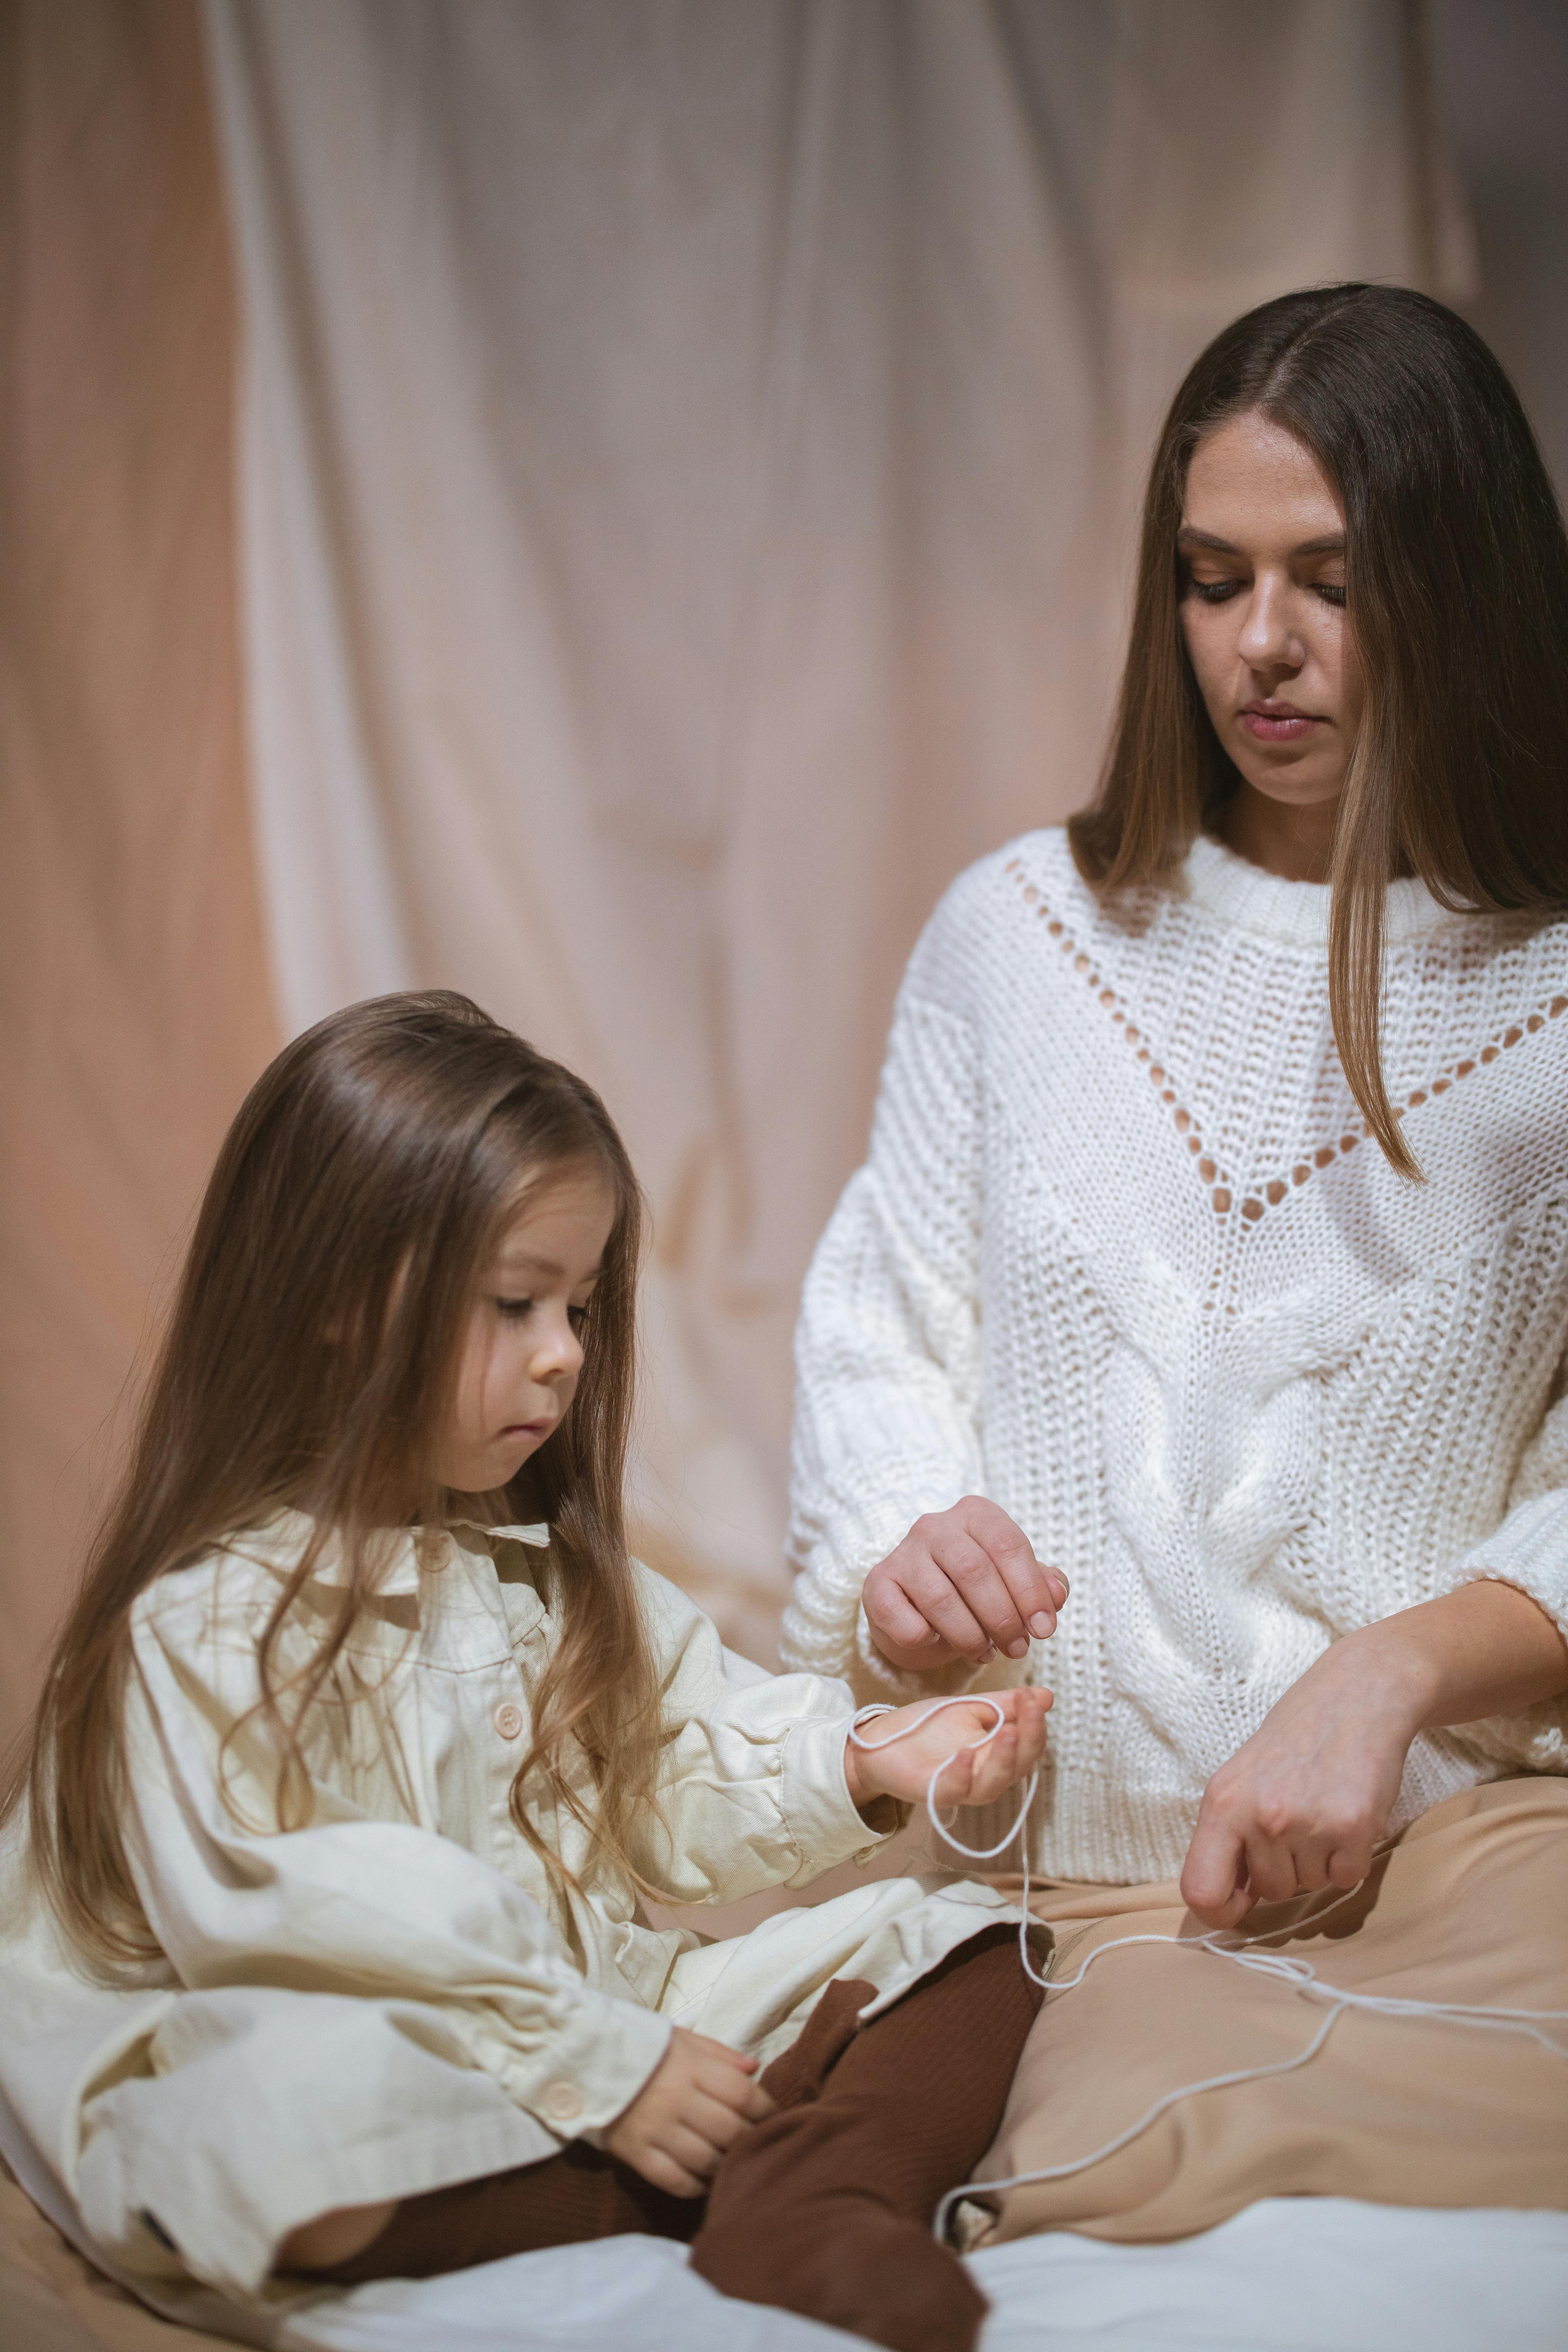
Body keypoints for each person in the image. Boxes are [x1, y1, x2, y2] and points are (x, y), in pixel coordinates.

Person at [0, 993, 1054, 2352]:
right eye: (514, 1303)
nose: (563, 1353)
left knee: (984, 1945)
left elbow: (677, 1762)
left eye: (578, 1304)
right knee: (271, 2113)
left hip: (607, 2012)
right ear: (334, 1299)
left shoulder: (556, 1587)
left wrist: (858, 1759)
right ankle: (671, 2183)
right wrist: (599, 2067)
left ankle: (827, 2191)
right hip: (384, 2041)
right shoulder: (208, 1627)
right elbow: (298, 1914)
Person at [783, 283, 1568, 1929]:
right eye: (1212, 581)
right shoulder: (1018, 935)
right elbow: (881, 1339)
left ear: (1469, 590)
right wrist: (904, 1555)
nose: (1258, 643)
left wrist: (1391, 1669)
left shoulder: (1548, 1001)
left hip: (1436, 1882)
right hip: (1015, 1883)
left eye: (1333, 585)